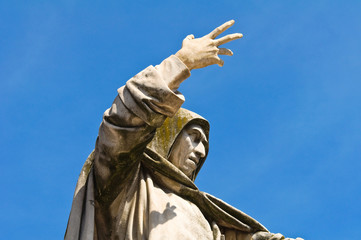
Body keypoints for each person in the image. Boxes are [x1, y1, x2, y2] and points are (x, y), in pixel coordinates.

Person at [65, 20, 302, 240]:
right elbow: (121, 124)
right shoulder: (127, 184)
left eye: (205, 147)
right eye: (195, 138)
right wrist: (181, 62)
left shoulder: (207, 219)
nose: (200, 152)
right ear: (169, 137)